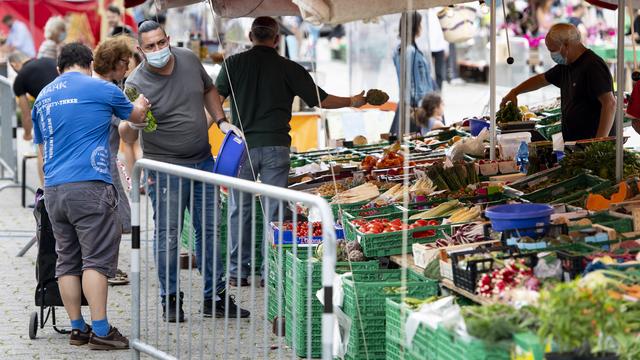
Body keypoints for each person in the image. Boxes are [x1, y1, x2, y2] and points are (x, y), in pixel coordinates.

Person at [214, 16, 366, 288]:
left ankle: (238, 272)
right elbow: (321, 99)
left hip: (241, 146)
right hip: (276, 147)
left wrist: (220, 122)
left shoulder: (233, 64)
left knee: (240, 209)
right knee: (274, 211)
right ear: (276, 39)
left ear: (251, 36)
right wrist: (353, 101)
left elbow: (214, 96)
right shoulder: (289, 67)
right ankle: (267, 271)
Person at [119, 19, 250, 321]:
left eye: (161, 43)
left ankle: (214, 298)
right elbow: (126, 135)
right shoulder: (135, 84)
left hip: (202, 163)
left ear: (168, 38)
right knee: (168, 235)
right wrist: (136, 119)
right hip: (164, 170)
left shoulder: (189, 60)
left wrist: (221, 120)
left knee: (210, 231)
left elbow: (209, 89)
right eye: (150, 46)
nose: (158, 50)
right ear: (141, 49)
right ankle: (170, 300)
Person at [31, 42, 149, 350]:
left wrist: (46, 190)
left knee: (66, 261)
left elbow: (41, 153)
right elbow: (135, 119)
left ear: (59, 70)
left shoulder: (42, 98)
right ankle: (101, 330)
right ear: (90, 63)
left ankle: (76, 328)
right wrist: (145, 105)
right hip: (90, 185)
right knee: (95, 259)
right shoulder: (103, 88)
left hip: (54, 189)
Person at [501, 23, 616, 141]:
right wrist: (515, 92)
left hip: (592, 146)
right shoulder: (566, 65)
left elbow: (610, 104)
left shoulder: (593, 65)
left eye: (553, 50)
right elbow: (541, 80)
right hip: (576, 144)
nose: (552, 55)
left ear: (566, 45)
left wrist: (598, 143)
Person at [93, 36, 136, 286]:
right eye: (126, 62)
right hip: (104, 163)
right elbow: (126, 129)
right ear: (117, 63)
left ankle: (98, 267)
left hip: (86, 162)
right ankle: (108, 267)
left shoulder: (89, 85)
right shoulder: (111, 92)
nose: (128, 68)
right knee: (116, 218)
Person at [9, 51, 59, 186]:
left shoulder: (20, 79)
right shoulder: (49, 60)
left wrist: (26, 133)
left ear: (14, 64)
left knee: (43, 150)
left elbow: (25, 113)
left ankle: (46, 194)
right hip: (70, 106)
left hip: (49, 112)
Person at [390, 11, 438, 135]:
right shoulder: (410, 51)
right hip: (417, 108)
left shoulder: (399, 50)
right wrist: (423, 109)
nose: (421, 27)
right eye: (420, 24)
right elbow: (413, 84)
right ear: (415, 27)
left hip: (408, 105)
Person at [427, 9, 448, 91]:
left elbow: (446, 30)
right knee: (428, 70)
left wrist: (446, 48)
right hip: (429, 46)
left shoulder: (442, 11)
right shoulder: (427, 12)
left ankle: (439, 89)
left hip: (440, 46)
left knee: (439, 71)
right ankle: (429, 88)